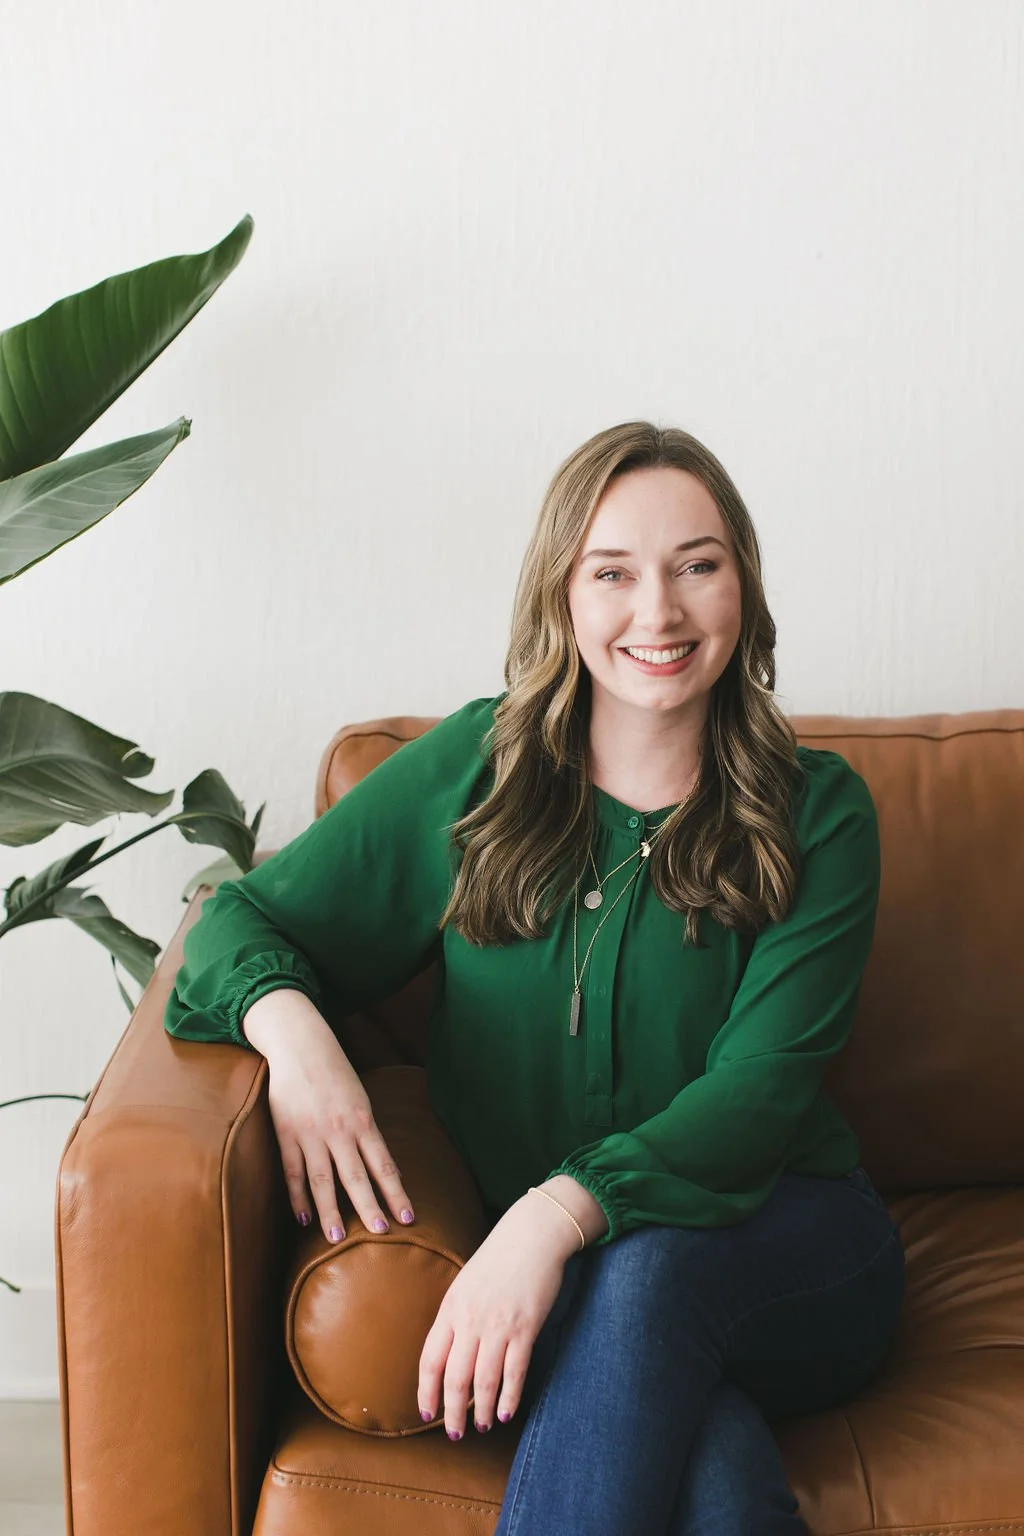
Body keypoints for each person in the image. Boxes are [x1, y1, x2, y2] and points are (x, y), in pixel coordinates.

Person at [164, 420, 905, 1535]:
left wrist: (551, 1218)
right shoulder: (476, 771)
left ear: (740, 589)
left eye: (696, 566)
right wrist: (297, 1038)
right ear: (561, 595)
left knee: (644, 1279)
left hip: (792, 1248)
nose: (656, 612)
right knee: (712, 1477)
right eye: (612, 573)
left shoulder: (820, 813)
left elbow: (756, 1101)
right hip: (584, 1302)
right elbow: (232, 923)